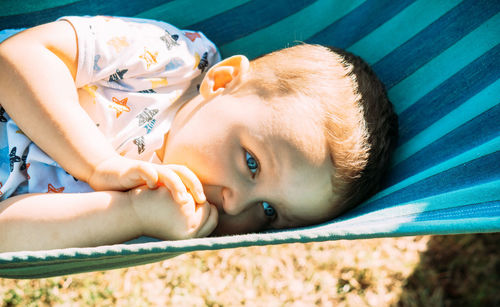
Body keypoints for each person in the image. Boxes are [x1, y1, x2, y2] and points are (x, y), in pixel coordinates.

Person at [0, 16, 398, 252]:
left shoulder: (164, 216)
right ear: (222, 81)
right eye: (251, 162)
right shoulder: (171, 62)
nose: (236, 204)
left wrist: (130, 213)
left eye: (271, 213)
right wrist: (97, 164)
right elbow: (19, 57)